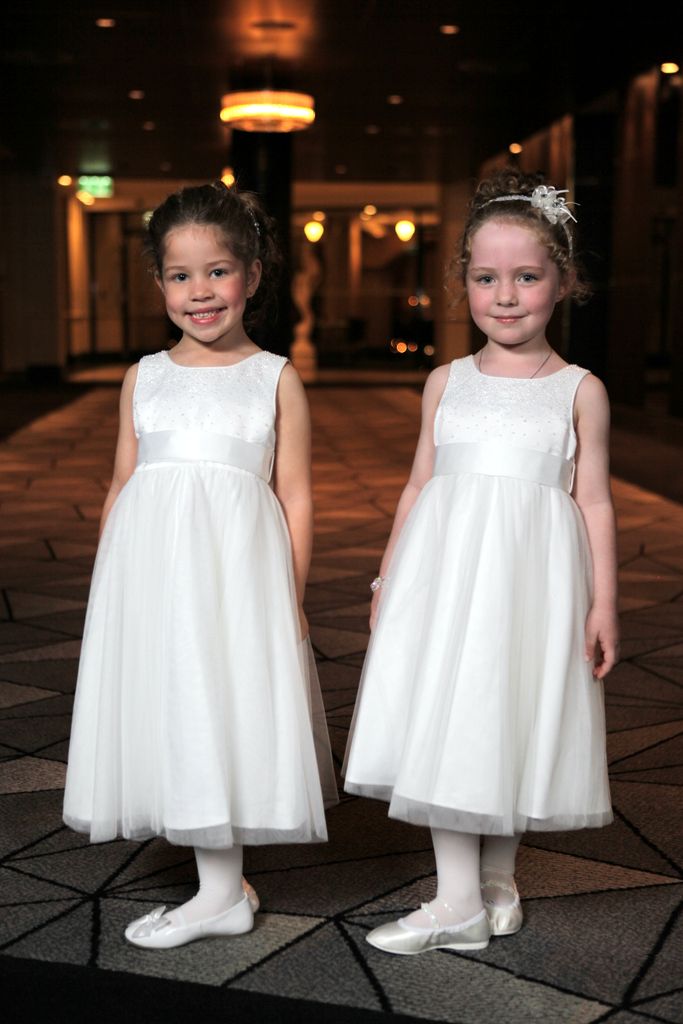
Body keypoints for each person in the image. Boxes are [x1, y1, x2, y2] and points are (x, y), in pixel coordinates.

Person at [343, 169, 619, 955]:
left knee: (510, 710)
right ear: (461, 283)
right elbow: (417, 484)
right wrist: (387, 576)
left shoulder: (578, 390)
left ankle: (494, 882)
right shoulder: (445, 382)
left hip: (533, 581)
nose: (504, 296)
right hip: (445, 579)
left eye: (525, 277)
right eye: (485, 278)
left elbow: (594, 500)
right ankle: (459, 898)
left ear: (562, 282)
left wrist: (603, 603)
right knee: (452, 710)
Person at [63, 181, 336, 949]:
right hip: (152, 575)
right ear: (159, 284)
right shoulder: (144, 376)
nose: (200, 291)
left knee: (219, 702)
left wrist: (290, 597)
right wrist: (109, 588)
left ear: (252, 275)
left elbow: (295, 496)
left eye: (217, 271)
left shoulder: (274, 377)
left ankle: (219, 893)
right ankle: (221, 886)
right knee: (172, 700)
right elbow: (123, 482)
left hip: (233, 580)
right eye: (180, 275)